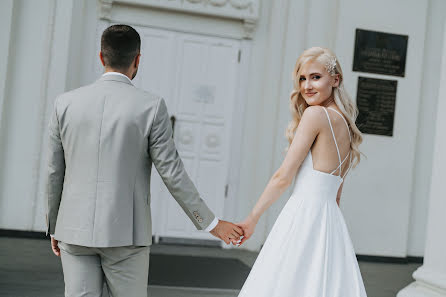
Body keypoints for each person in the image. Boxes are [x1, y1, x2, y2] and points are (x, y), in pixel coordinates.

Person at [45, 24, 243, 297]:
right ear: (137, 59)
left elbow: (55, 171)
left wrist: (54, 225)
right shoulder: (151, 106)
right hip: (126, 235)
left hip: (73, 231)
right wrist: (210, 222)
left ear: (101, 57)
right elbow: (172, 173)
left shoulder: (64, 103)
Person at [236, 47, 367, 296]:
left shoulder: (316, 114)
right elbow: (337, 195)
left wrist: (251, 219)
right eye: (302, 78)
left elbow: (283, 176)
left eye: (315, 77)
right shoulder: (348, 127)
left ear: (336, 79)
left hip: (303, 215)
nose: (307, 85)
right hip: (331, 221)